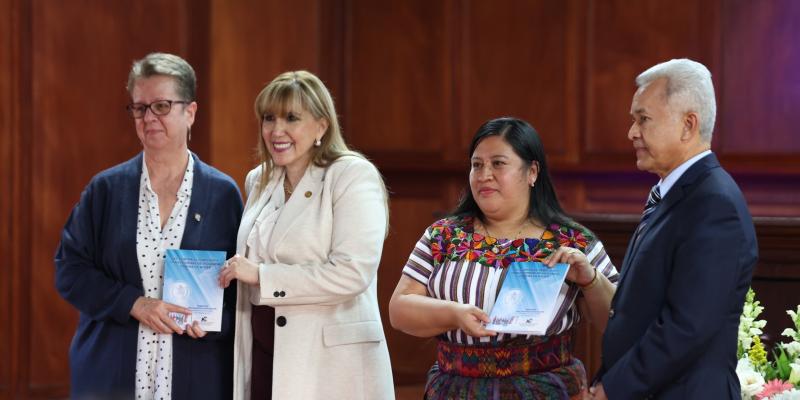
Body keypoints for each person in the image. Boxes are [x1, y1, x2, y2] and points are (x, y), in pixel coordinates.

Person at [54, 52, 243, 399]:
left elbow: (241, 296)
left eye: (161, 106)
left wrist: (214, 323)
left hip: (195, 377)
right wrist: (135, 304)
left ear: (190, 113)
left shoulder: (222, 194)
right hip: (111, 377)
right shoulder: (106, 190)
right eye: (139, 108)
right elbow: (69, 272)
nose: (148, 117)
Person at [389, 117, 619, 399]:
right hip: (455, 389)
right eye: (477, 165)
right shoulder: (443, 236)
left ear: (532, 172)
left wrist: (591, 280)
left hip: (546, 390)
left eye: (498, 163)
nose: (484, 174)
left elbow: (617, 321)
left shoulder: (573, 241)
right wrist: (454, 314)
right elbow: (399, 310)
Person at [218, 70, 394, 400]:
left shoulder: (352, 174)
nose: (276, 130)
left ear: (322, 126)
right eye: (268, 118)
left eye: (291, 118)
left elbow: (351, 273)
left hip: (329, 363)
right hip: (263, 352)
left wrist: (261, 275)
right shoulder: (259, 179)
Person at [591, 59, 758, 399]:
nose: (632, 132)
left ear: (688, 125)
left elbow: (687, 328)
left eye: (644, 119)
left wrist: (611, 388)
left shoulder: (714, 205)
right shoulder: (678, 192)